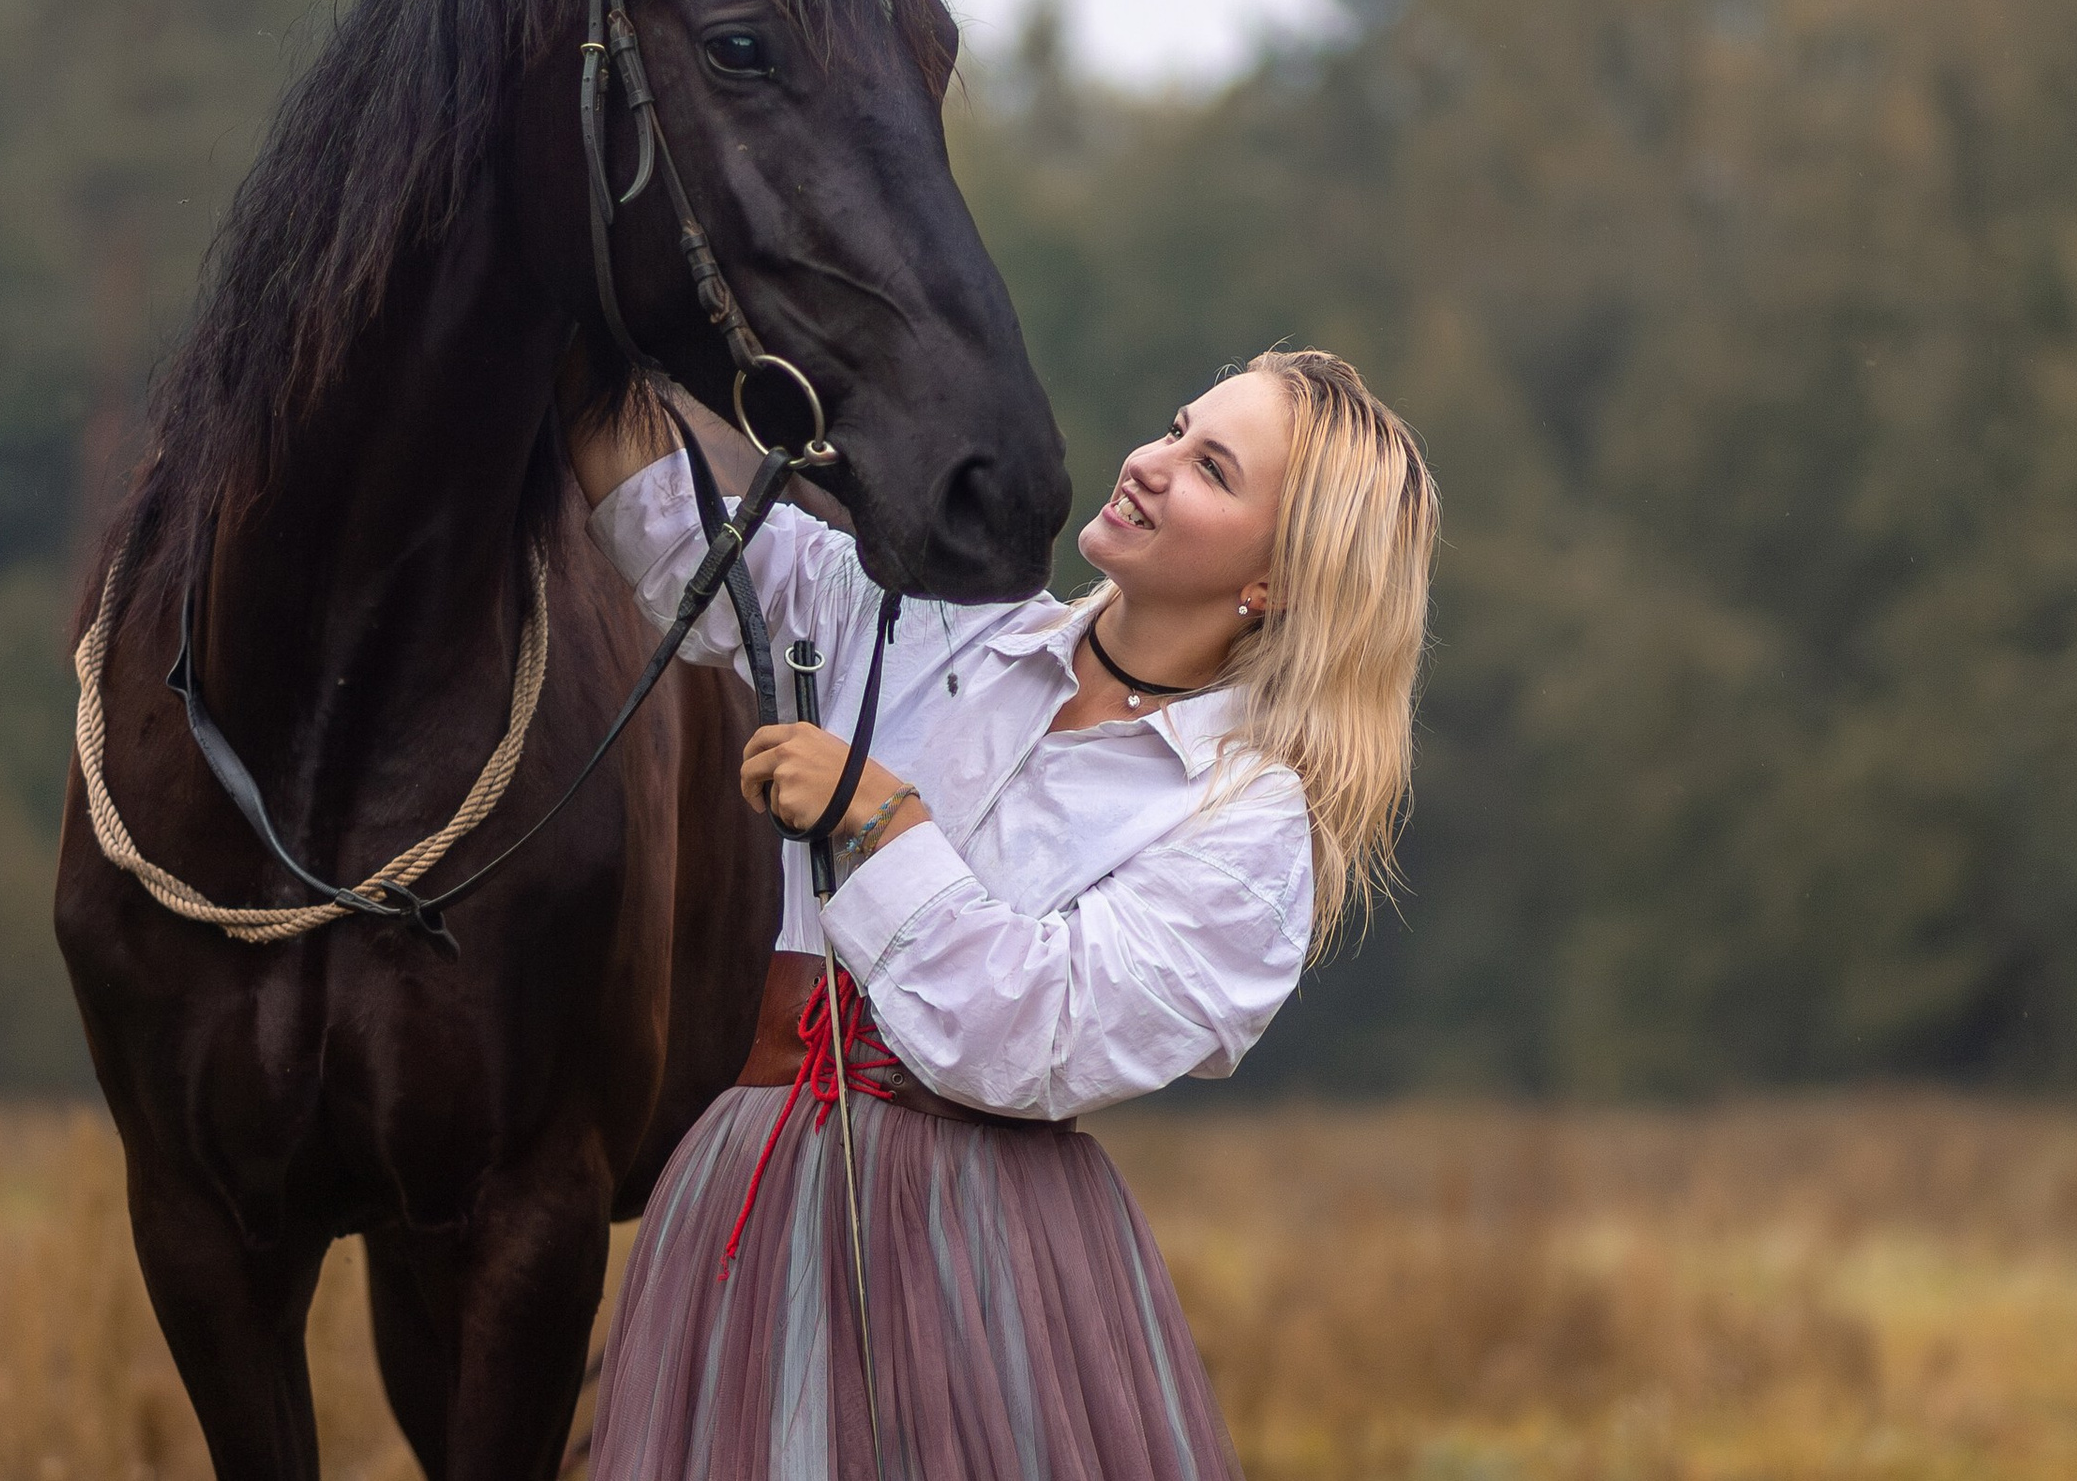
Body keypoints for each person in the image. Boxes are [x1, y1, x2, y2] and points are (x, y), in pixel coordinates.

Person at [567, 348, 1438, 1480]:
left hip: (979, 1257)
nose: (1150, 463)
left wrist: (880, 821)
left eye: (1211, 468)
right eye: (1176, 428)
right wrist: (568, 334)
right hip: (749, 1192)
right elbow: (692, 540)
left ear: (1273, 580)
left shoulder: (1246, 823)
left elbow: (1036, 1033)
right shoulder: (941, 626)